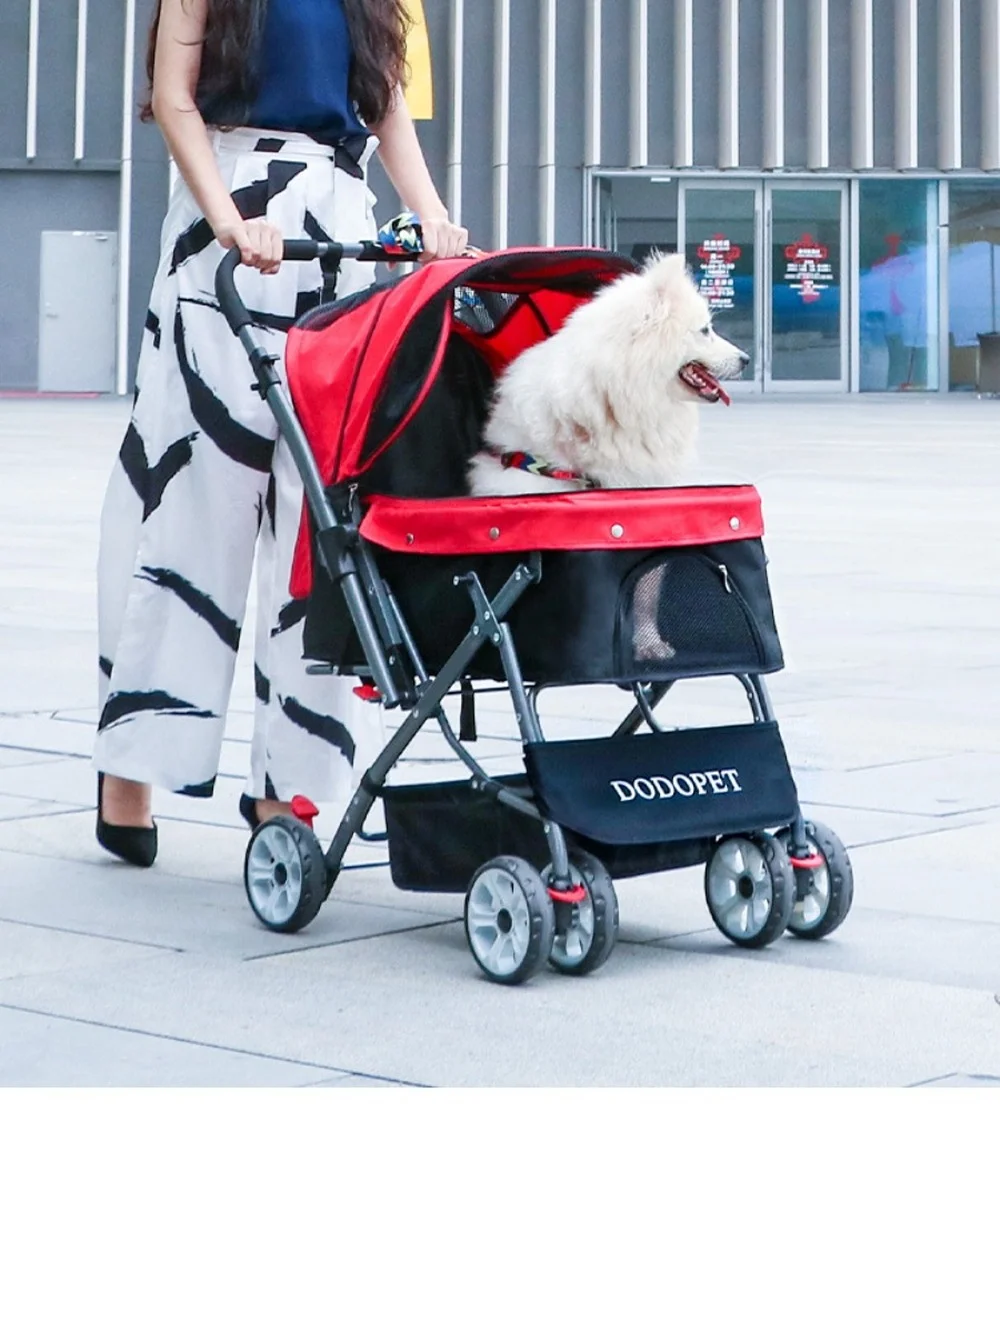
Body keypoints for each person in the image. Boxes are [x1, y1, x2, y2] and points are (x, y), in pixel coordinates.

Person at [94, 0, 467, 867]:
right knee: (192, 507)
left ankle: (291, 779)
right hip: (228, 226)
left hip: (339, 234)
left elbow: (386, 108)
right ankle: (134, 763)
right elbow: (174, 97)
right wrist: (226, 213)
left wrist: (432, 218)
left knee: (324, 523)